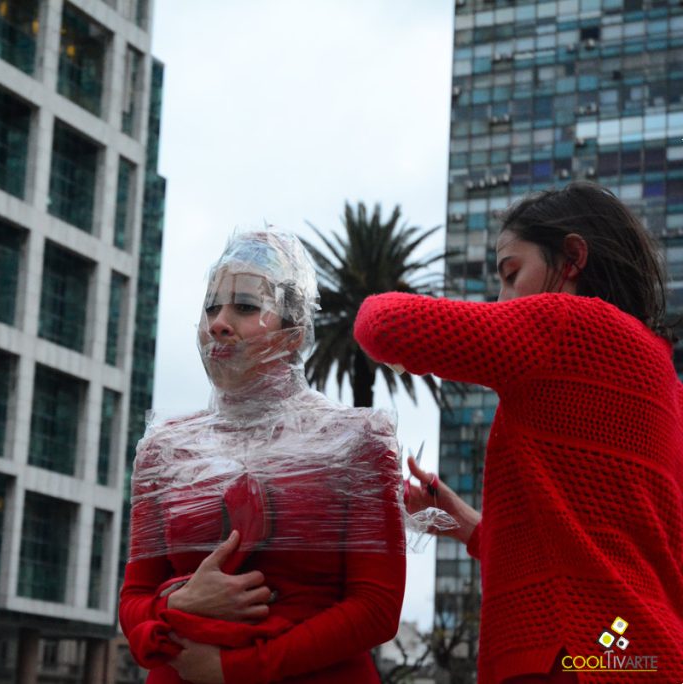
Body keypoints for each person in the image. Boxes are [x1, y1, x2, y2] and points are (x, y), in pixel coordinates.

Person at [354, 182, 683, 683]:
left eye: (512, 274)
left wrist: (371, 306)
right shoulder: (667, 384)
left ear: (572, 257)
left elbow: (385, 325)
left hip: (570, 658)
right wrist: (457, 516)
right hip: (645, 653)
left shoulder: (563, 325)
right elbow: (583, 546)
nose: (503, 299)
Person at [119, 231, 406, 684]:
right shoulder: (165, 450)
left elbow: (377, 608)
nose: (218, 323)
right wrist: (176, 602)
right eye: (211, 308)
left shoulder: (357, 442)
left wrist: (235, 669)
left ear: (293, 334)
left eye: (246, 307)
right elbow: (134, 597)